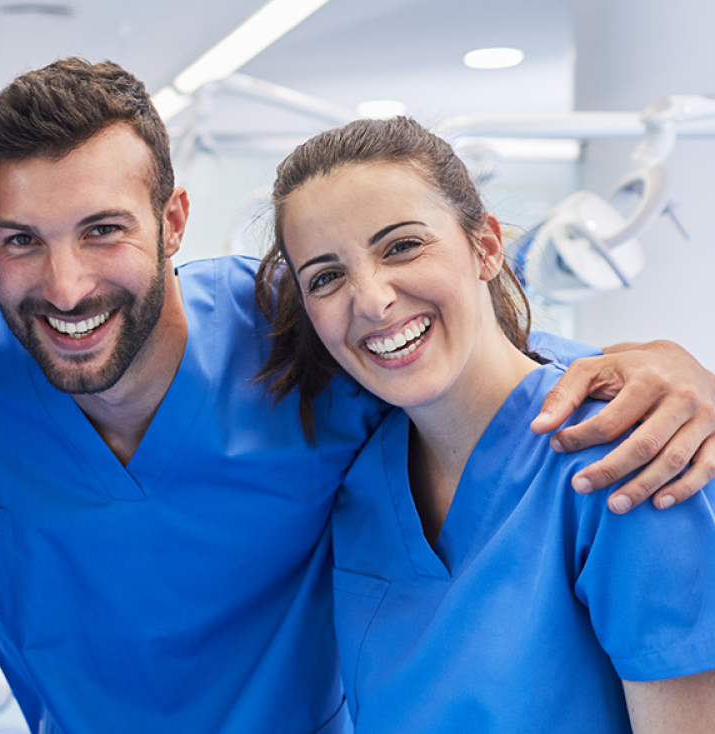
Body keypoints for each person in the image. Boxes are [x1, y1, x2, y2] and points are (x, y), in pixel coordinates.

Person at [0, 58, 715, 732]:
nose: (66, 287)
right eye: (22, 240)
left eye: (104, 230)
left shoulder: (291, 343)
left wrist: (651, 368)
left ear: (174, 221)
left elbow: (472, 375)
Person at [259, 116, 715, 731]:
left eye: (401, 246)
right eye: (326, 276)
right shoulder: (357, 480)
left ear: (487, 246)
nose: (370, 299)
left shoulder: (627, 455)